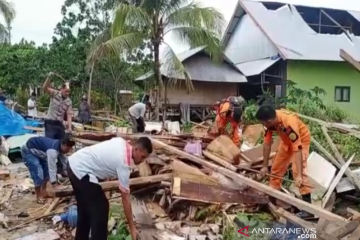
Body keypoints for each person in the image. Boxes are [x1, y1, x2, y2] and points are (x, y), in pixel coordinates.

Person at [67, 137, 153, 240]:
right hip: (81, 170)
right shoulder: (124, 164)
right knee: (101, 206)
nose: (143, 161)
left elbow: (105, 158)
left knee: (85, 210)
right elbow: (125, 198)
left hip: (73, 163)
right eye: (142, 157)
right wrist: (132, 227)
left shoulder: (121, 142)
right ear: (136, 149)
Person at [255, 105, 312, 218]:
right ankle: (272, 200)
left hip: (301, 141)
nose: (263, 125)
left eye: (264, 123)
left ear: (269, 121)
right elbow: (267, 144)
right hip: (286, 141)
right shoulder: (268, 124)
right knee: (276, 168)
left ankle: (308, 209)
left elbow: (297, 148)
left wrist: (299, 175)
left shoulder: (289, 123)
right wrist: (265, 166)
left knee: (297, 171)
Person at [20, 134, 75, 203]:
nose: (69, 150)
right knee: (38, 173)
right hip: (29, 151)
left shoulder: (60, 146)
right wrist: (54, 184)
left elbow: (65, 162)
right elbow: (52, 167)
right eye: (69, 148)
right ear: (64, 145)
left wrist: (70, 173)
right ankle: (39, 195)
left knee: (46, 173)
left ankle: (44, 191)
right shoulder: (52, 150)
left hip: (40, 152)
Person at [42, 72, 73, 139]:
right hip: (50, 122)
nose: (67, 93)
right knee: (50, 141)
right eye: (66, 91)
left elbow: (69, 115)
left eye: (69, 91)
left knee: (60, 143)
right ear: (61, 89)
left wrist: (70, 128)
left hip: (59, 124)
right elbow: (45, 88)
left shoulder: (69, 101)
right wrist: (48, 77)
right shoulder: (54, 93)